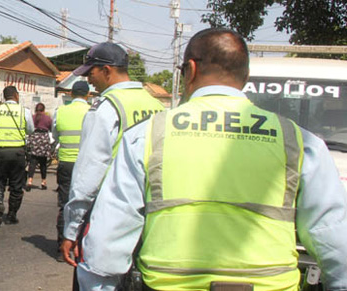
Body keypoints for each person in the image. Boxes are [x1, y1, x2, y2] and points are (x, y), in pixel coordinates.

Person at [77, 28, 347, 290]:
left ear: (190, 70)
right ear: (245, 76)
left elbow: (108, 237)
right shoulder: (301, 142)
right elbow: (332, 233)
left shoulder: (148, 135)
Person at [60, 42, 165, 268]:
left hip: (111, 214)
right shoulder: (157, 106)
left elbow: (90, 173)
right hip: (150, 213)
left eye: (91, 72)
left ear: (107, 70)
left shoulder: (107, 108)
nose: (89, 80)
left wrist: (71, 229)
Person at [51, 81, 91, 263]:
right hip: (87, 165)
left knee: (65, 204)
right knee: (87, 206)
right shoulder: (93, 112)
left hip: (66, 162)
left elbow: (56, 135)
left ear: (72, 94)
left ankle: (62, 247)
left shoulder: (61, 111)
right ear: (88, 95)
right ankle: (81, 248)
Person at [0, 85, 34, 226]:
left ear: (4, 97)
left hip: (0, 152)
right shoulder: (24, 111)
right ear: (16, 96)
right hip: (18, 152)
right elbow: (30, 130)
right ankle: (12, 215)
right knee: (16, 185)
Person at [26, 102, 53, 191]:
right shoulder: (47, 118)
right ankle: (43, 181)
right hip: (44, 139)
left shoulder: (32, 117)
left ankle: (30, 181)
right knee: (43, 163)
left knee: (33, 162)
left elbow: (29, 127)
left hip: (34, 138)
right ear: (44, 110)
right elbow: (50, 128)